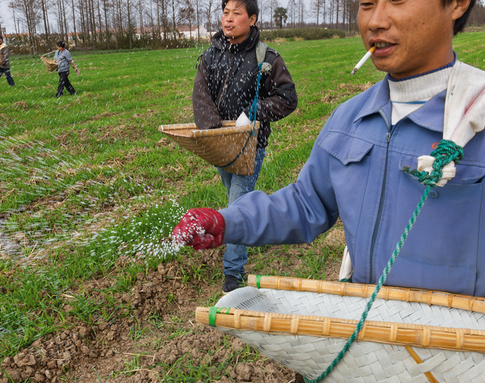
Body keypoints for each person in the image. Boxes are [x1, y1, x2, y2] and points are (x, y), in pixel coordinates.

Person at [173, 0, 485, 297]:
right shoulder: (349, 119)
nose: (375, 21)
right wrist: (229, 222)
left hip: (458, 343)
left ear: (456, 4)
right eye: (366, 4)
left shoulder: (477, 115)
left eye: (397, 0)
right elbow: (307, 203)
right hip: (368, 331)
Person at [192, 0, 297, 293]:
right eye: (225, 13)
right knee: (234, 202)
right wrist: (213, 129)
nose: (228, 19)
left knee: (237, 205)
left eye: (236, 14)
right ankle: (246, 230)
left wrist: (255, 113)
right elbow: (200, 95)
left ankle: (233, 271)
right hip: (220, 145)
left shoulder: (266, 58)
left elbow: (288, 98)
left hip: (250, 145)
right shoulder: (211, 56)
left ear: (251, 19)